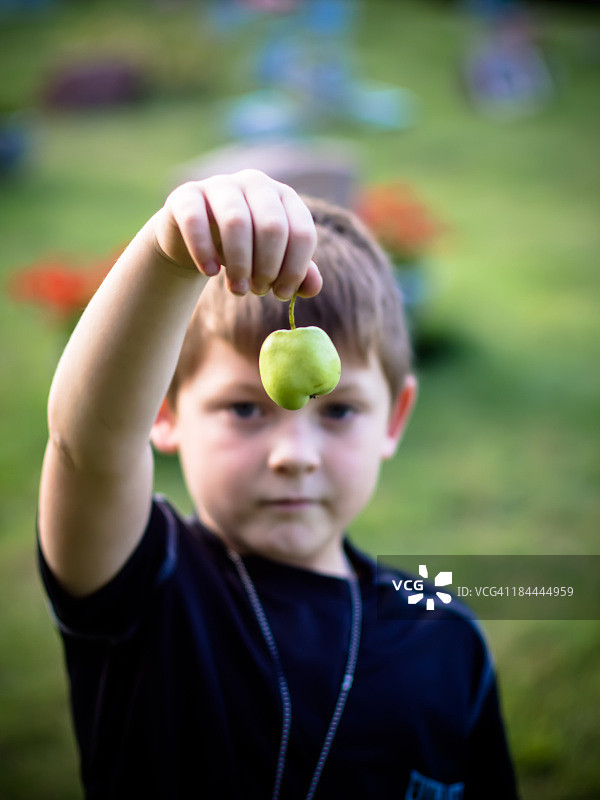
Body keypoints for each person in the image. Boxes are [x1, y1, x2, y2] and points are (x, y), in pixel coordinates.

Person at [37, 170, 519, 799]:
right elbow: (87, 446)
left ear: (394, 419)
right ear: (163, 412)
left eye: (339, 411)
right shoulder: (143, 584)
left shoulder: (447, 639)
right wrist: (169, 254)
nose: (294, 455)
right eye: (244, 409)